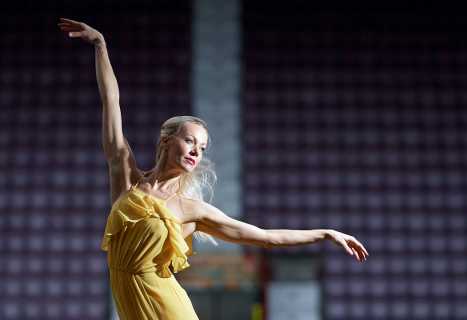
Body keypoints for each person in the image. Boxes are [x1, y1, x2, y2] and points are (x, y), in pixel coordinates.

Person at [58, 17, 369, 320]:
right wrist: (100, 45)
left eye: (202, 147)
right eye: (190, 141)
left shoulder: (192, 209)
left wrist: (326, 233)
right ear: (167, 140)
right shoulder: (126, 177)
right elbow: (110, 101)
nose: (196, 150)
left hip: (167, 309)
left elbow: (265, 237)